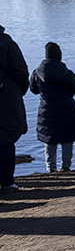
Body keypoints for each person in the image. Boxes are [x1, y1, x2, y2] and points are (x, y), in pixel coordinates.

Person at [28, 42, 75, 172]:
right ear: (59, 55)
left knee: (49, 139)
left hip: (47, 111)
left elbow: (33, 90)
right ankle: (66, 166)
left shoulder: (37, 73)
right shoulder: (66, 72)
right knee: (67, 138)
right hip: (67, 110)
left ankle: (50, 168)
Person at [0, 22, 28, 192]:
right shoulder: (8, 44)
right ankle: (7, 183)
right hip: (6, 98)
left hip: (7, 95)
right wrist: (16, 92)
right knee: (6, 140)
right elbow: (21, 73)